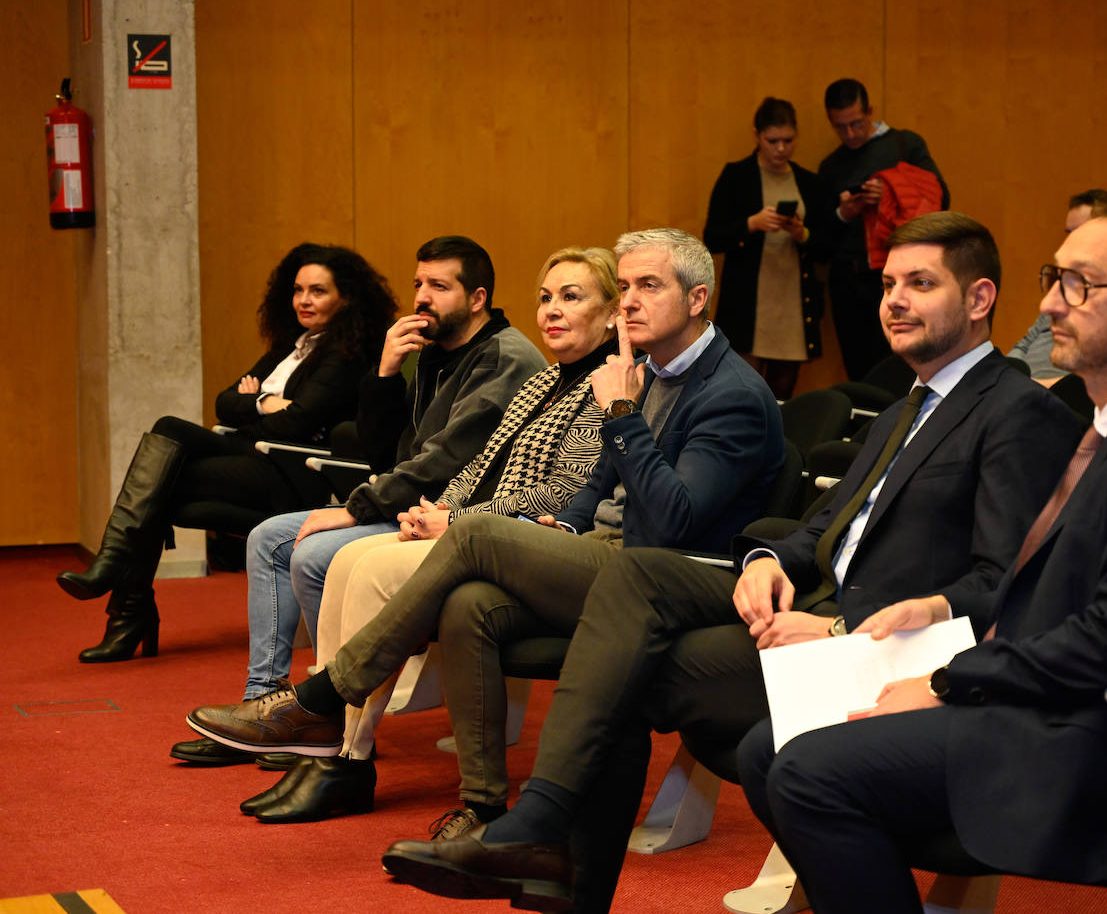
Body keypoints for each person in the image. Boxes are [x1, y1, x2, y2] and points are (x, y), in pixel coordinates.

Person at [369, 212, 1084, 913]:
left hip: (888, 653)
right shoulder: (908, 407)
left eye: (920, 284)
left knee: (628, 612)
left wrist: (840, 630)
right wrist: (771, 558)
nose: (894, 300)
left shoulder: (1015, 411)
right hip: (806, 618)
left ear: (981, 299)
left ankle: (538, 834)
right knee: (618, 657)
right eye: (889, 282)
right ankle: (549, 858)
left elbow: (1001, 588)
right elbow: (823, 529)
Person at [737, 205, 1107, 913]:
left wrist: (950, 679)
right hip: (1054, 700)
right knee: (769, 747)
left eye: (1081, 284)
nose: (1051, 301)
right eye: (1054, 278)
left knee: (810, 769)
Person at [180, 229, 786, 843]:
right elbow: (591, 488)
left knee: (476, 539)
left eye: (648, 286)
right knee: (472, 606)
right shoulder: (645, 371)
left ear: (697, 298)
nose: (630, 301)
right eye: (625, 285)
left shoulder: (729, 392)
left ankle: (324, 697)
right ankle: (485, 808)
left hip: (671, 576)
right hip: (610, 556)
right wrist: (562, 526)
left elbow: (673, 520)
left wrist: (621, 416)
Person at [224, 246, 620, 822]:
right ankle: (329, 743)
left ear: (612, 313)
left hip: (530, 541)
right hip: (468, 523)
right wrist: (435, 510)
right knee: (344, 563)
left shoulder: (608, 387)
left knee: (368, 566)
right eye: (545, 297)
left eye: (571, 297)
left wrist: (450, 521)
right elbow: (476, 465)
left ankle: (343, 751)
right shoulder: (544, 382)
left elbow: (566, 494)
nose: (552, 311)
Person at [168, 235, 545, 766]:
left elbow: (441, 459)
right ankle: (263, 703)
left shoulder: (503, 357)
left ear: (477, 297)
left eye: (439, 286)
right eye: (419, 283)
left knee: (313, 553)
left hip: (449, 518)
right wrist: (386, 372)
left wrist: (355, 508)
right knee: (267, 538)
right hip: (409, 504)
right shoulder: (429, 352)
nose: (422, 297)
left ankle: (327, 712)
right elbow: (383, 452)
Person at [56, 243, 397, 664]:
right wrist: (260, 405)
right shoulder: (293, 346)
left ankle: (124, 602)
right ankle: (125, 602)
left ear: (346, 297)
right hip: (253, 451)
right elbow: (225, 401)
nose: (304, 301)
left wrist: (255, 406)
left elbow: (297, 424)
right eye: (298, 290)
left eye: (318, 291)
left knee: (162, 484)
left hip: (289, 471)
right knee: (167, 434)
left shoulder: (345, 355)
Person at [818, 77, 949, 381]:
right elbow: (820, 240)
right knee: (859, 372)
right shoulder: (831, 166)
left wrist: (890, 193)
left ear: (870, 112)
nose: (850, 133)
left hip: (900, 278)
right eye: (840, 127)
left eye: (857, 123)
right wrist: (843, 212)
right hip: (848, 281)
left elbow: (938, 196)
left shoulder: (905, 145)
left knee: (903, 367)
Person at [704, 96, 827, 399]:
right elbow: (712, 237)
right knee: (740, 388)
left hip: (794, 301)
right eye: (773, 141)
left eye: (788, 140)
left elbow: (827, 245)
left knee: (782, 392)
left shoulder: (808, 182)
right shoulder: (737, 175)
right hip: (749, 302)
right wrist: (752, 224)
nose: (781, 149)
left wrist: (803, 233)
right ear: (757, 136)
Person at [1010, 188, 1107, 382]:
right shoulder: (1060, 293)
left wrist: (1032, 388)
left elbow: (1099, 374)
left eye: (1079, 232)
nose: (1069, 241)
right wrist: (1007, 379)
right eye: (1068, 233)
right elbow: (1024, 345)